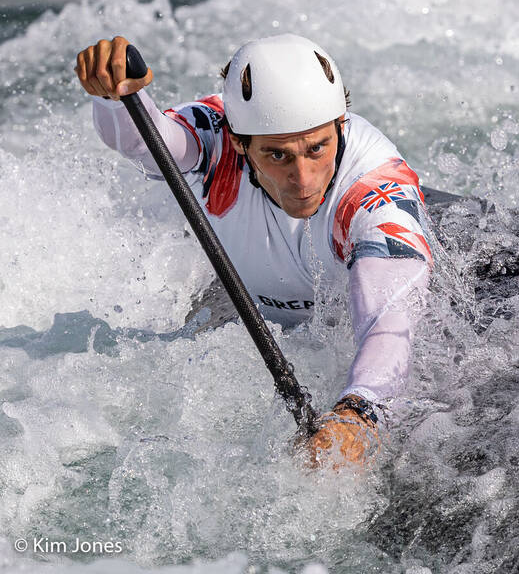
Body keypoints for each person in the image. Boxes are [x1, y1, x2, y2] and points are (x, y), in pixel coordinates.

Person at [75, 34, 432, 467]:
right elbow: (145, 143)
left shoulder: (376, 192)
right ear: (239, 143)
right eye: (278, 155)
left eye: (317, 148)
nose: (303, 180)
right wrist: (116, 97)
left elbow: (388, 322)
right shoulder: (218, 136)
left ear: (341, 125)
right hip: (265, 296)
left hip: (422, 268)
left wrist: (358, 414)